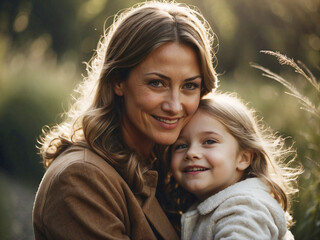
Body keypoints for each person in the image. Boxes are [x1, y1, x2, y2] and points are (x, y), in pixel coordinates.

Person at [32, 1, 218, 239]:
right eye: (157, 83)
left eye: (189, 86)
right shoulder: (81, 178)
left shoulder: (168, 166)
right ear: (118, 81)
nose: (174, 105)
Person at [169, 92, 301, 239]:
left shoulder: (245, 208)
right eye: (181, 145)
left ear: (243, 158)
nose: (191, 153)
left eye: (209, 141)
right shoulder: (215, 204)